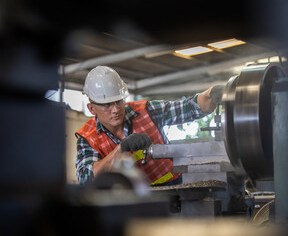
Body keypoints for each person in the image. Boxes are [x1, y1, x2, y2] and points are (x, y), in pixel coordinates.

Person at [75, 65, 224, 186]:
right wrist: (120, 149)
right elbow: (86, 179)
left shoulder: (147, 111)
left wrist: (211, 94)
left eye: (119, 101)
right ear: (91, 108)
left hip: (175, 188)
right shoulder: (88, 138)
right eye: (107, 105)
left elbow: (187, 107)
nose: (115, 109)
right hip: (131, 198)